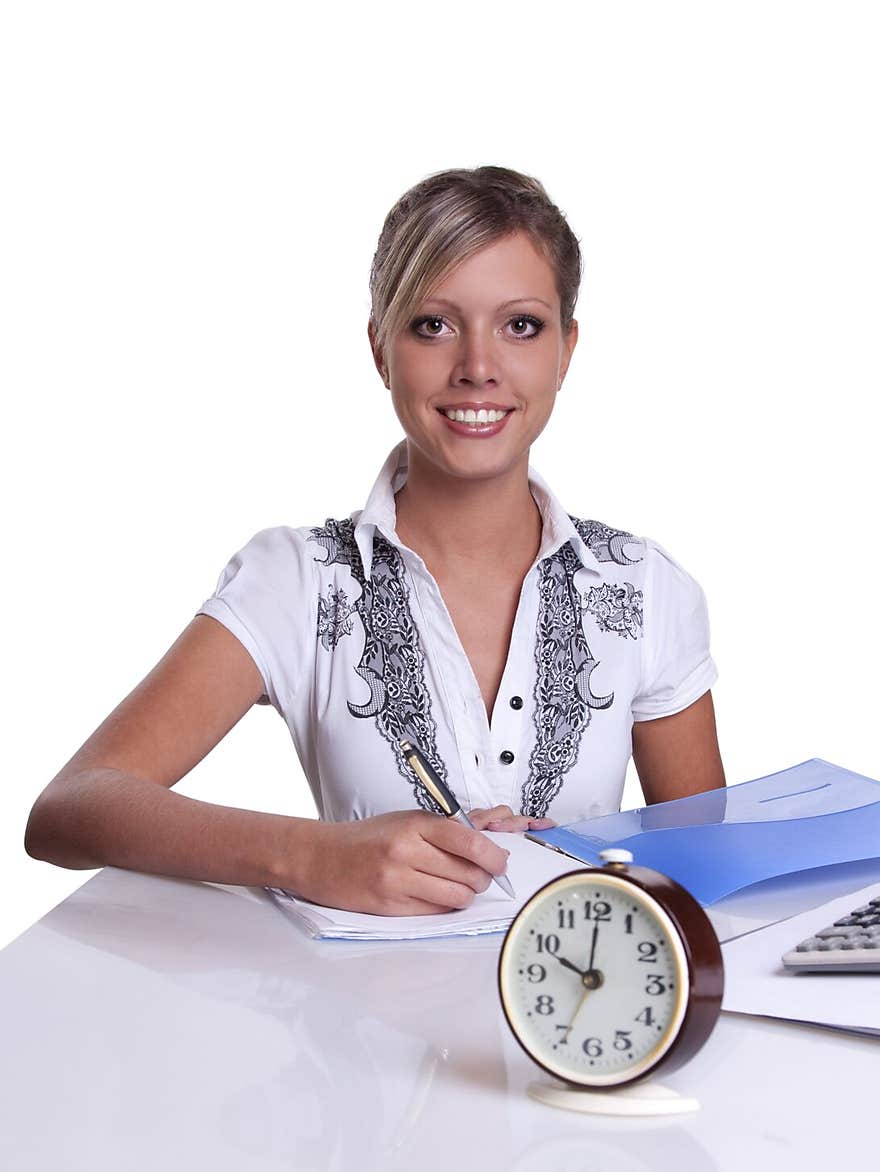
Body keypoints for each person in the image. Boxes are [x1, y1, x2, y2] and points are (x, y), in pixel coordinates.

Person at [25, 165, 725, 916]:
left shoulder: (642, 589)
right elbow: (70, 808)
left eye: (520, 325)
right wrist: (310, 855)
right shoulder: (300, 581)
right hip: (353, 1027)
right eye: (433, 325)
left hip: (589, 1020)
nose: (478, 368)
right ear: (380, 348)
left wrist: (574, 857)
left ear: (567, 348)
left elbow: (708, 881)